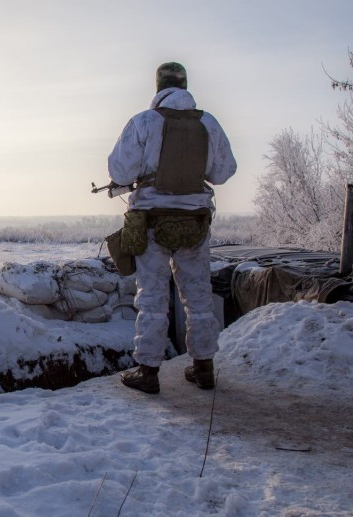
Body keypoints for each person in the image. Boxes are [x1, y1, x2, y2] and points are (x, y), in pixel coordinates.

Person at [108, 62, 237, 394]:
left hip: (152, 221)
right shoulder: (208, 122)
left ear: (158, 87)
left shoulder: (144, 121)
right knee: (198, 297)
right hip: (195, 223)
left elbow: (120, 170)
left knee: (151, 298)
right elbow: (223, 172)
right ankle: (204, 367)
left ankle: (148, 372)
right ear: (184, 86)